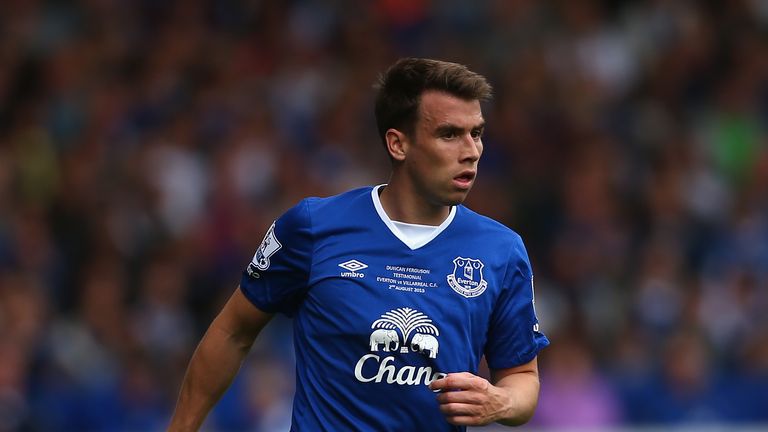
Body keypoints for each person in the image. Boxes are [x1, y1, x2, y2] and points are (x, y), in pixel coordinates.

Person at [168, 57, 549, 431]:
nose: (472, 151)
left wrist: (501, 402)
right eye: (449, 134)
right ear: (398, 144)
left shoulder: (502, 250)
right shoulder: (313, 227)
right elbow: (233, 331)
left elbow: (521, 377)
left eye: (477, 133)